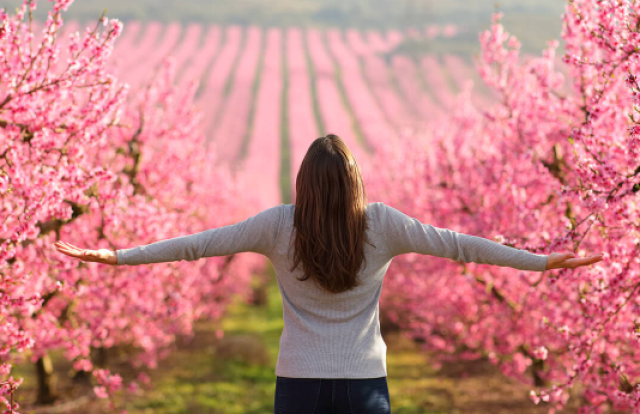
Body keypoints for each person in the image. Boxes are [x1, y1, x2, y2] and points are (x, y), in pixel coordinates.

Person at [55, 134, 604, 414]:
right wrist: (538, 260)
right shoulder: (383, 225)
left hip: (298, 381)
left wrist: (119, 255)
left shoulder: (278, 226)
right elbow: (461, 247)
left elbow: (198, 245)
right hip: (363, 381)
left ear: (303, 184)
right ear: (354, 182)